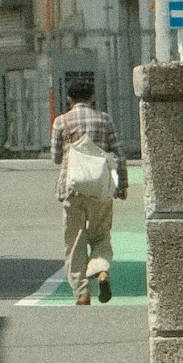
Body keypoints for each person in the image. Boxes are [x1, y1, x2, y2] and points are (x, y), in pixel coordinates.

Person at [51, 80, 125, 305]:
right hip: (100, 188)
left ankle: (82, 292)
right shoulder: (104, 119)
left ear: (69, 99)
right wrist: (122, 185)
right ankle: (101, 270)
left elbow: (56, 157)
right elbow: (118, 154)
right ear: (92, 97)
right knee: (101, 235)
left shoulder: (61, 122)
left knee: (74, 242)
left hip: (72, 188)